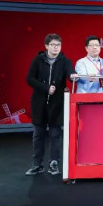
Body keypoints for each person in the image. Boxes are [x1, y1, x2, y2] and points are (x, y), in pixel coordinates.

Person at [25, 33, 75, 176]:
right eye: (53, 45)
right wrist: (45, 88)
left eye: (58, 45)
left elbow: (70, 73)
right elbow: (30, 79)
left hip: (57, 103)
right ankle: (37, 164)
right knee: (38, 134)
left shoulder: (65, 60)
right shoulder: (38, 59)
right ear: (46, 46)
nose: (56, 48)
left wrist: (73, 76)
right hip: (39, 102)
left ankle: (54, 163)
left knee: (55, 134)